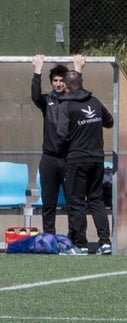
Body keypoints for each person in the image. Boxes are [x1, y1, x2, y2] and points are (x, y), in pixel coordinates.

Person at [58, 68, 113, 254]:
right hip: (97, 158)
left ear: (66, 86)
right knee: (96, 200)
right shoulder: (95, 102)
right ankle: (105, 242)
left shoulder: (66, 105)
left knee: (76, 201)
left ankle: (79, 244)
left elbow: (61, 134)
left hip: (76, 159)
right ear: (81, 83)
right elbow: (109, 121)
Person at [31, 55, 81, 240]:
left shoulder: (73, 100)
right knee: (48, 202)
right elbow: (35, 96)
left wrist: (78, 68)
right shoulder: (47, 101)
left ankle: (74, 239)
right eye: (55, 80)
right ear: (51, 82)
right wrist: (38, 70)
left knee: (73, 202)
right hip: (49, 159)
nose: (58, 84)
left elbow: (80, 92)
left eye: (62, 80)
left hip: (68, 159)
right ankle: (49, 238)